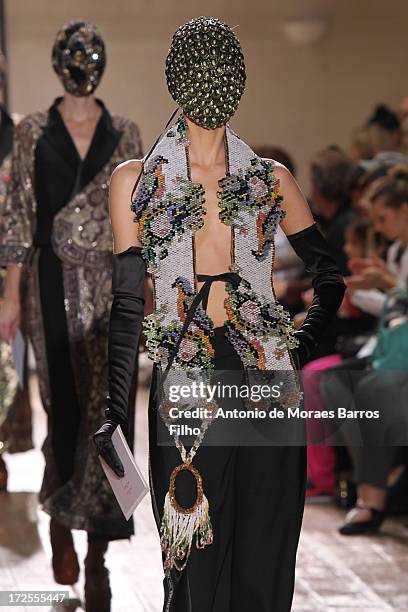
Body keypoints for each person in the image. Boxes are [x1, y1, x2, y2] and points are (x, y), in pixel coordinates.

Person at [94, 17, 345, 612]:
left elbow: (329, 275)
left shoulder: (268, 179)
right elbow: (129, 304)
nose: (214, 80)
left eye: (224, 69)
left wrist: (297, 351)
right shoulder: (136, 183)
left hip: (267, 388)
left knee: (265, 551)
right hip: (189, 387)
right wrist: (116, 413)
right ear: (178, 79)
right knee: (191, 558)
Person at [0, 21, 143, 611]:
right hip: (50, 285)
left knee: (111, 414)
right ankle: (61, 518)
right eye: (74, 56)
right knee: (63, 406)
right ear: (60, 64)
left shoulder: (125, 132)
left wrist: (149, 297)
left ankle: (101, 556)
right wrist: (9, 298)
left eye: (91, 55)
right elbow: (16, 216)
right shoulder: (33, 130)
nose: (83, 64)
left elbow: (140, 217)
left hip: (112, 289)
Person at [0, 50, 33, 491]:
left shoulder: (20, 134)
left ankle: (2, 450)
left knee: (7, 369)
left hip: (9, 271)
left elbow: (26, 212)